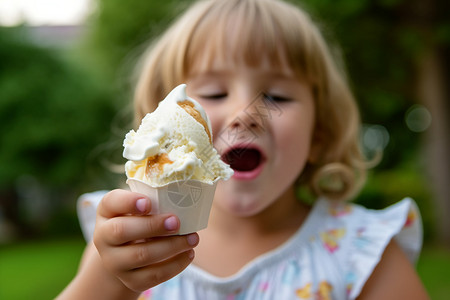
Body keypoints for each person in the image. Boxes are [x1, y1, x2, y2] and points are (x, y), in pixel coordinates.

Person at [58, 0, 429, 299]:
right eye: (215, 93)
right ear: (161, 128)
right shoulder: (129, 240)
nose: (244, 115)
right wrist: (107, 281)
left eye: (276, 97)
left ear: (320, 133)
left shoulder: (360, 252)